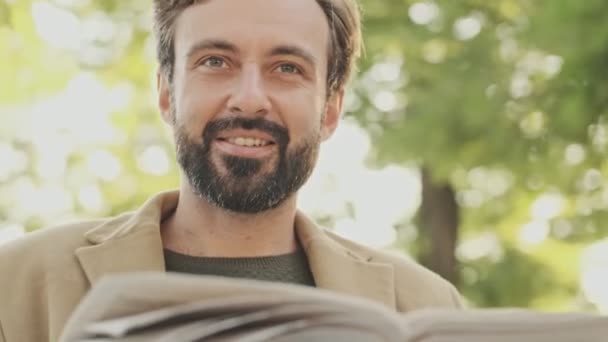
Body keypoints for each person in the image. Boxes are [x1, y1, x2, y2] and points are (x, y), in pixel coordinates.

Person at [0, 0, 463, 341]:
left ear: (331, 109)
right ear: (166, 92)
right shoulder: (16, 285)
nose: (249, 98)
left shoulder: (428, 306)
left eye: (287, 67)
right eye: (215, 62)